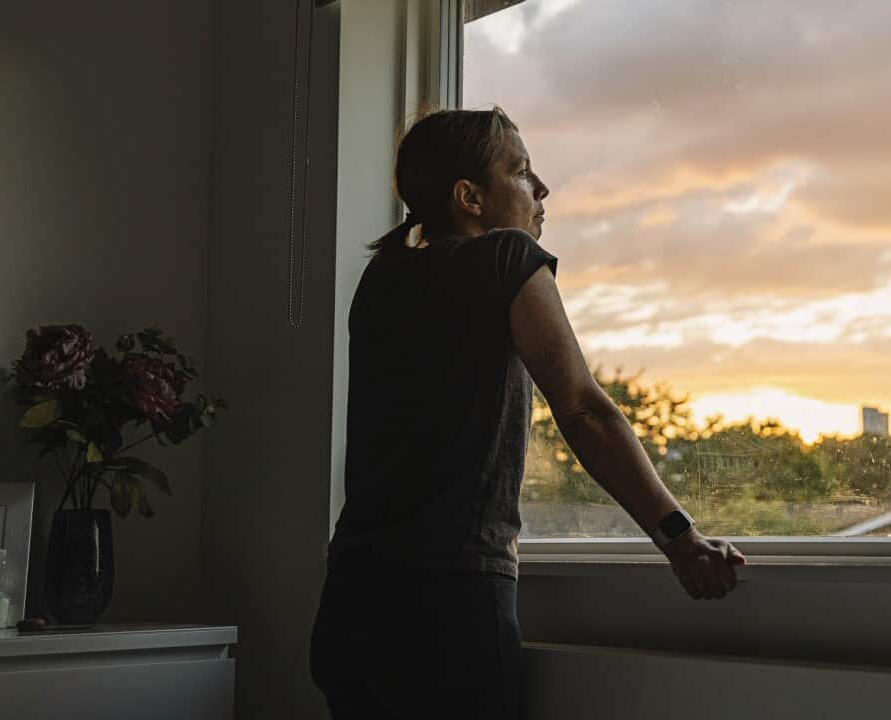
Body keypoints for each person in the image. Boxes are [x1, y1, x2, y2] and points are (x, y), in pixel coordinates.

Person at [309, 107, 747, 718]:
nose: (540, 189)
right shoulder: (503, 257)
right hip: (448, 608)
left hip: (352, 604)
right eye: (520, 172)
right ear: (470, 197)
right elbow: (583, 409)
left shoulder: (381, 277)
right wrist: (680, 538)